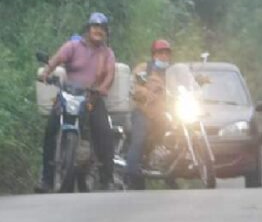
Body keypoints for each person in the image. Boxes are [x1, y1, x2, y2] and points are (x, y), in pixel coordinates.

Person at [35, 12, 116, 193]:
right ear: (88, 29)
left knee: (105, 133)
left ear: (105, 32)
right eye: (95, 27)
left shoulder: (107, 53)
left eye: (102, 28)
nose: (98, 31)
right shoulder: (73, 46)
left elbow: (110, 74)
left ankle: (107, 179)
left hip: (92, 97)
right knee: (50, 130)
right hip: (68, 94)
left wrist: (102, 88)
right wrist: (46, 73)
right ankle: (46, 180)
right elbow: (56, 59)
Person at [125, 39, 173, 190]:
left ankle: (171, 170)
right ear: (154, 55)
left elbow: (182, 85)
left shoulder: (171, 72)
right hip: (143, 111)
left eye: (166, 53)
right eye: (160, 53)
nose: (164, 56)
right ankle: (131, 174)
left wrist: (197, 82)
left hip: (164, 114)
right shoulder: (144, 68)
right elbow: (134, 85)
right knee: (139, 138)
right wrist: (145, 92)